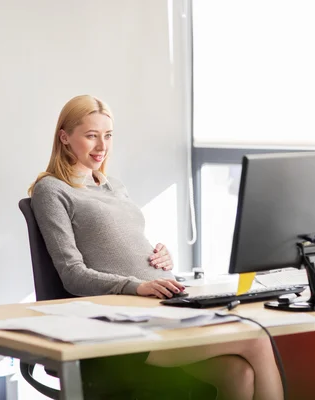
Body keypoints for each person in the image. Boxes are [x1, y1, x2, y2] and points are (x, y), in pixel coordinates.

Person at [28, 95, 284, 400]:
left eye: (107, 136)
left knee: (238, 373)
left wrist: (159, 258)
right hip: (121, 325)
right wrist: (139, 285)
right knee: (256, 340)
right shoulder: (51, 189)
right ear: (65, 137)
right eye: (91, 136)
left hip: (163, 307)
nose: (102, 147)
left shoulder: (113, 185)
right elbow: (72, 274)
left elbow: (120, 246)